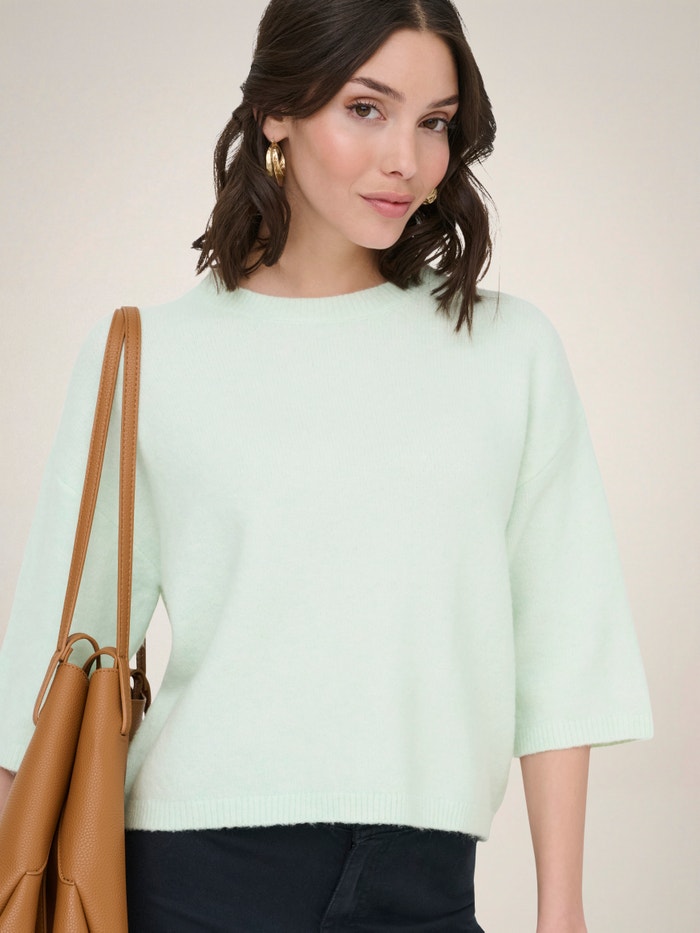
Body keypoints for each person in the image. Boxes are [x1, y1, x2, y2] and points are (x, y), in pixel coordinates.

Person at [0, 1, 653, 930]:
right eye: (365, 108)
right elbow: (50, 660)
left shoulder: (510, 351)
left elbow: (561, 648)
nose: (406, 159)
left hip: (424, 881)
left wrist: (563, 908)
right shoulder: (155, 356)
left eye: (435, 122)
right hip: (193, 876)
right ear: (279, 111)